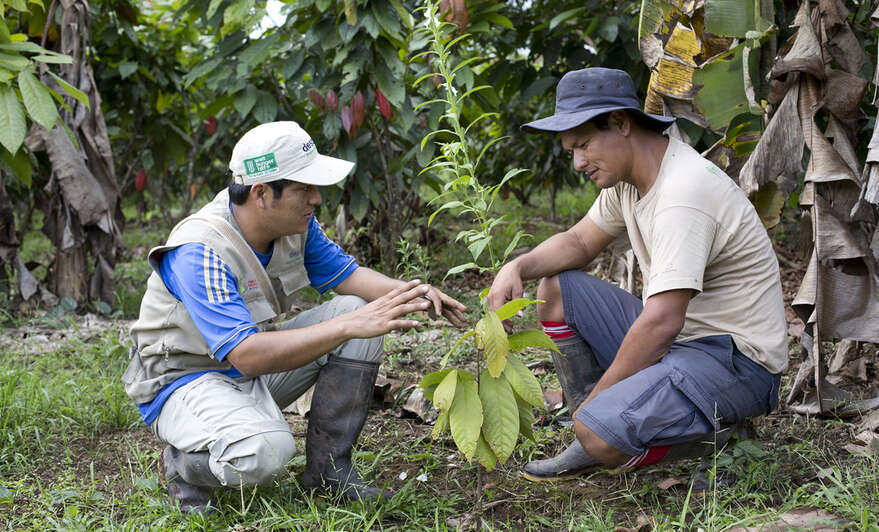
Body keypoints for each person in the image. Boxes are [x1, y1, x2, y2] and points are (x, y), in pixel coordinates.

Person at [123, 121, 467, 513]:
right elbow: (248, 354)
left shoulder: (294, 226)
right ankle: (183, 466)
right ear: (262, 194)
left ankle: (327, 472)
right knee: (266, 451)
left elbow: (349, 277)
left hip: (242, 371)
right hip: (182, 382)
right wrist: (348, 326)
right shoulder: (200, 250)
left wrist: (415, 293)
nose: (316, 199)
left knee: (356, 310)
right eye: (304, 189)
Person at [487, 68, 787, 482]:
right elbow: (578, 243)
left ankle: (717, 439)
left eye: (583, 145)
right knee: (556, 288)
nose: (577, 162)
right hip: (685, 346)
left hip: (736, 363)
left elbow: (663, 322)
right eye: (570, 150)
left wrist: (599, 399)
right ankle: (593, 426)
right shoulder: (631, 180)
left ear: (621, 124)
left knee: (598, 432)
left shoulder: (683, 194)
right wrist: (516, 266)